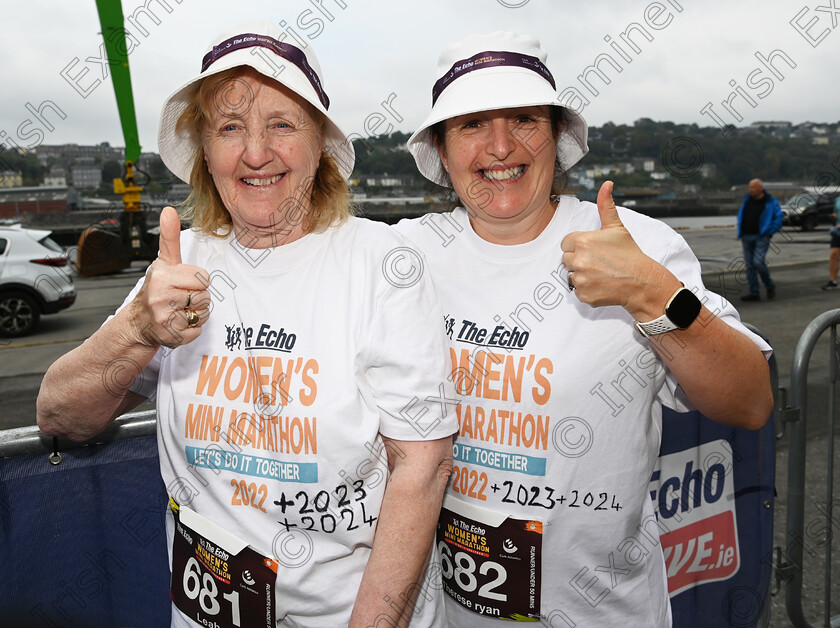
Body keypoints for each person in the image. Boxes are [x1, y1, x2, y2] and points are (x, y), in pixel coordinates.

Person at [37, 21, 456, 627]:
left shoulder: (381, 264)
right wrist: (136, 331)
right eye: (230, 128)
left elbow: (422, 467)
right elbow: (60, 417)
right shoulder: (183, 265)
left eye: (281, 125)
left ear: (320, 145)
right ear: (206, 152)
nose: (256, 153)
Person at [394, 32, 774, 626]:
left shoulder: (636, 244)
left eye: (523, 119)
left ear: (556, 138)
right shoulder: (403, 254)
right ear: (441, 150)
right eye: (471, 125)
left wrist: (651, 294)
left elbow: (749, 401)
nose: (500, 146)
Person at [736, 178, 784, 301]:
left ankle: (769, 285)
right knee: (750, 266)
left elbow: (778, 217)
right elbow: (741, 215)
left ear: (760, 188)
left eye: (752, 187)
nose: (750, 190)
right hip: (746, 236)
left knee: (758, 262)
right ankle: (754, 293)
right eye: (749, 187)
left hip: (761, 237)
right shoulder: (747, 201)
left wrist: (769, 231)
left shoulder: (770, 201)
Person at [822, 195, 840, 290]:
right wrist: (833, 217)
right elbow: (836, 213)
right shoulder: (838, 200)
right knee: (833, 255)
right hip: (838, 232)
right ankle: (833, 281)